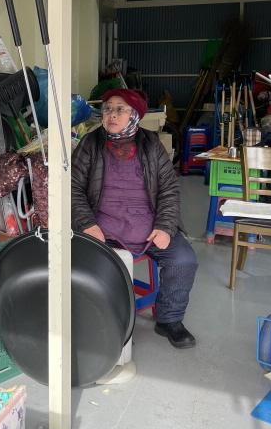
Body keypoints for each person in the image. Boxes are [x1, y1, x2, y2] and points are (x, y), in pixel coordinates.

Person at [71, 88, 197, 348]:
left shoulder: (151, 144)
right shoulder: (91, 143)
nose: (111, 115)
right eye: (107, 109)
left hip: (150, 227)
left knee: (183, 260)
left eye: (120, 110)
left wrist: (165, 226)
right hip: (105, 231)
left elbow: (169, 189)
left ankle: (169, 320)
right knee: (104, 269)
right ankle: (111, 322)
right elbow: (72, 187)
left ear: (135, 116)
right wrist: (87, 224)